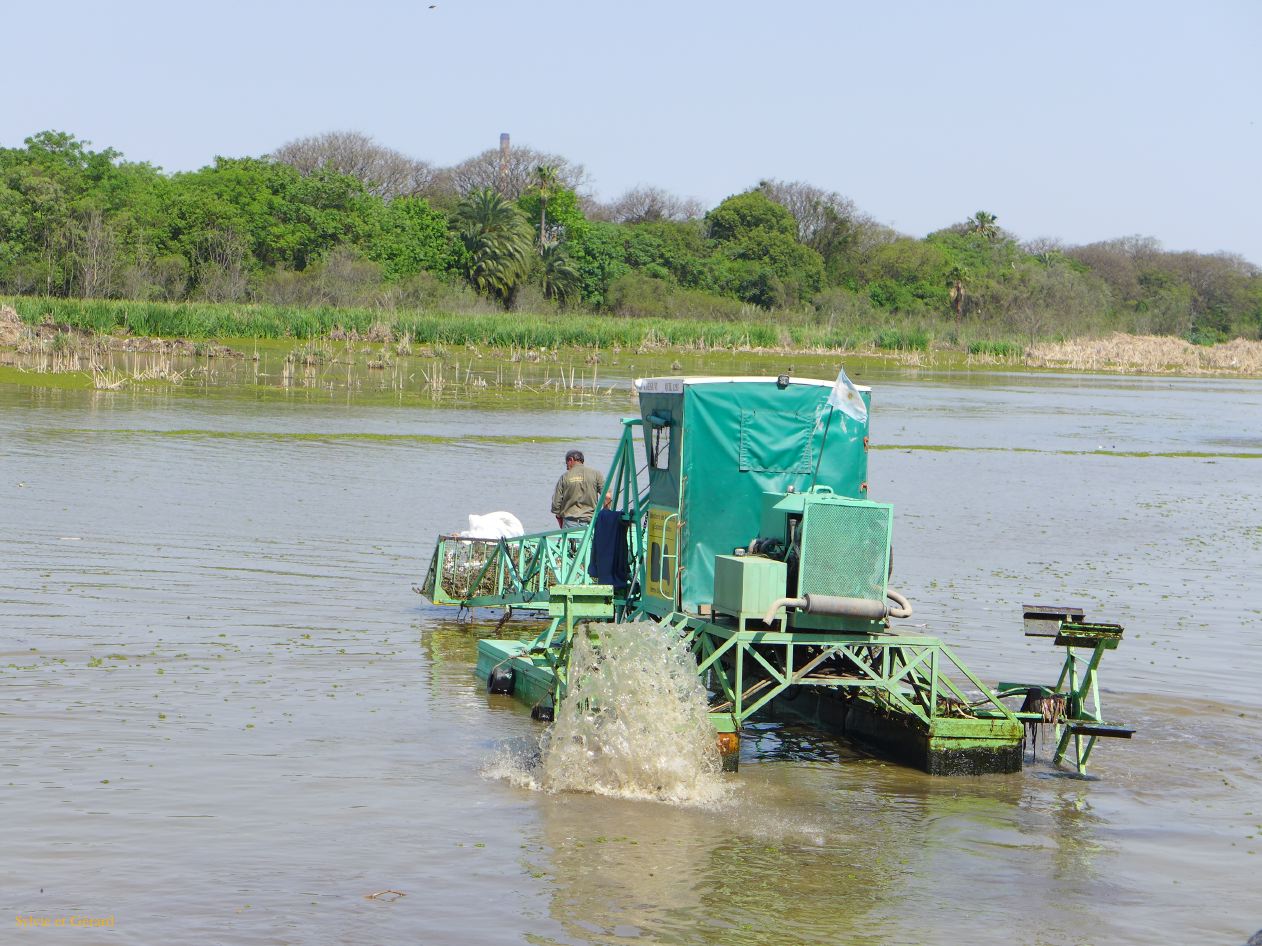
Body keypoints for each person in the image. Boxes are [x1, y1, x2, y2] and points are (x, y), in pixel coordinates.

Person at [551, 450, 604, 529]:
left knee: (569, 541)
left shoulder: (564, 477)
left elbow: (556, 504)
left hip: (569, 523)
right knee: (590, 541)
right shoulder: (596, 474)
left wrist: (559, 515)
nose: (566, 467)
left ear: (571, 460)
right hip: (591, 523)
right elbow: (608, 497)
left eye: (566, 463)